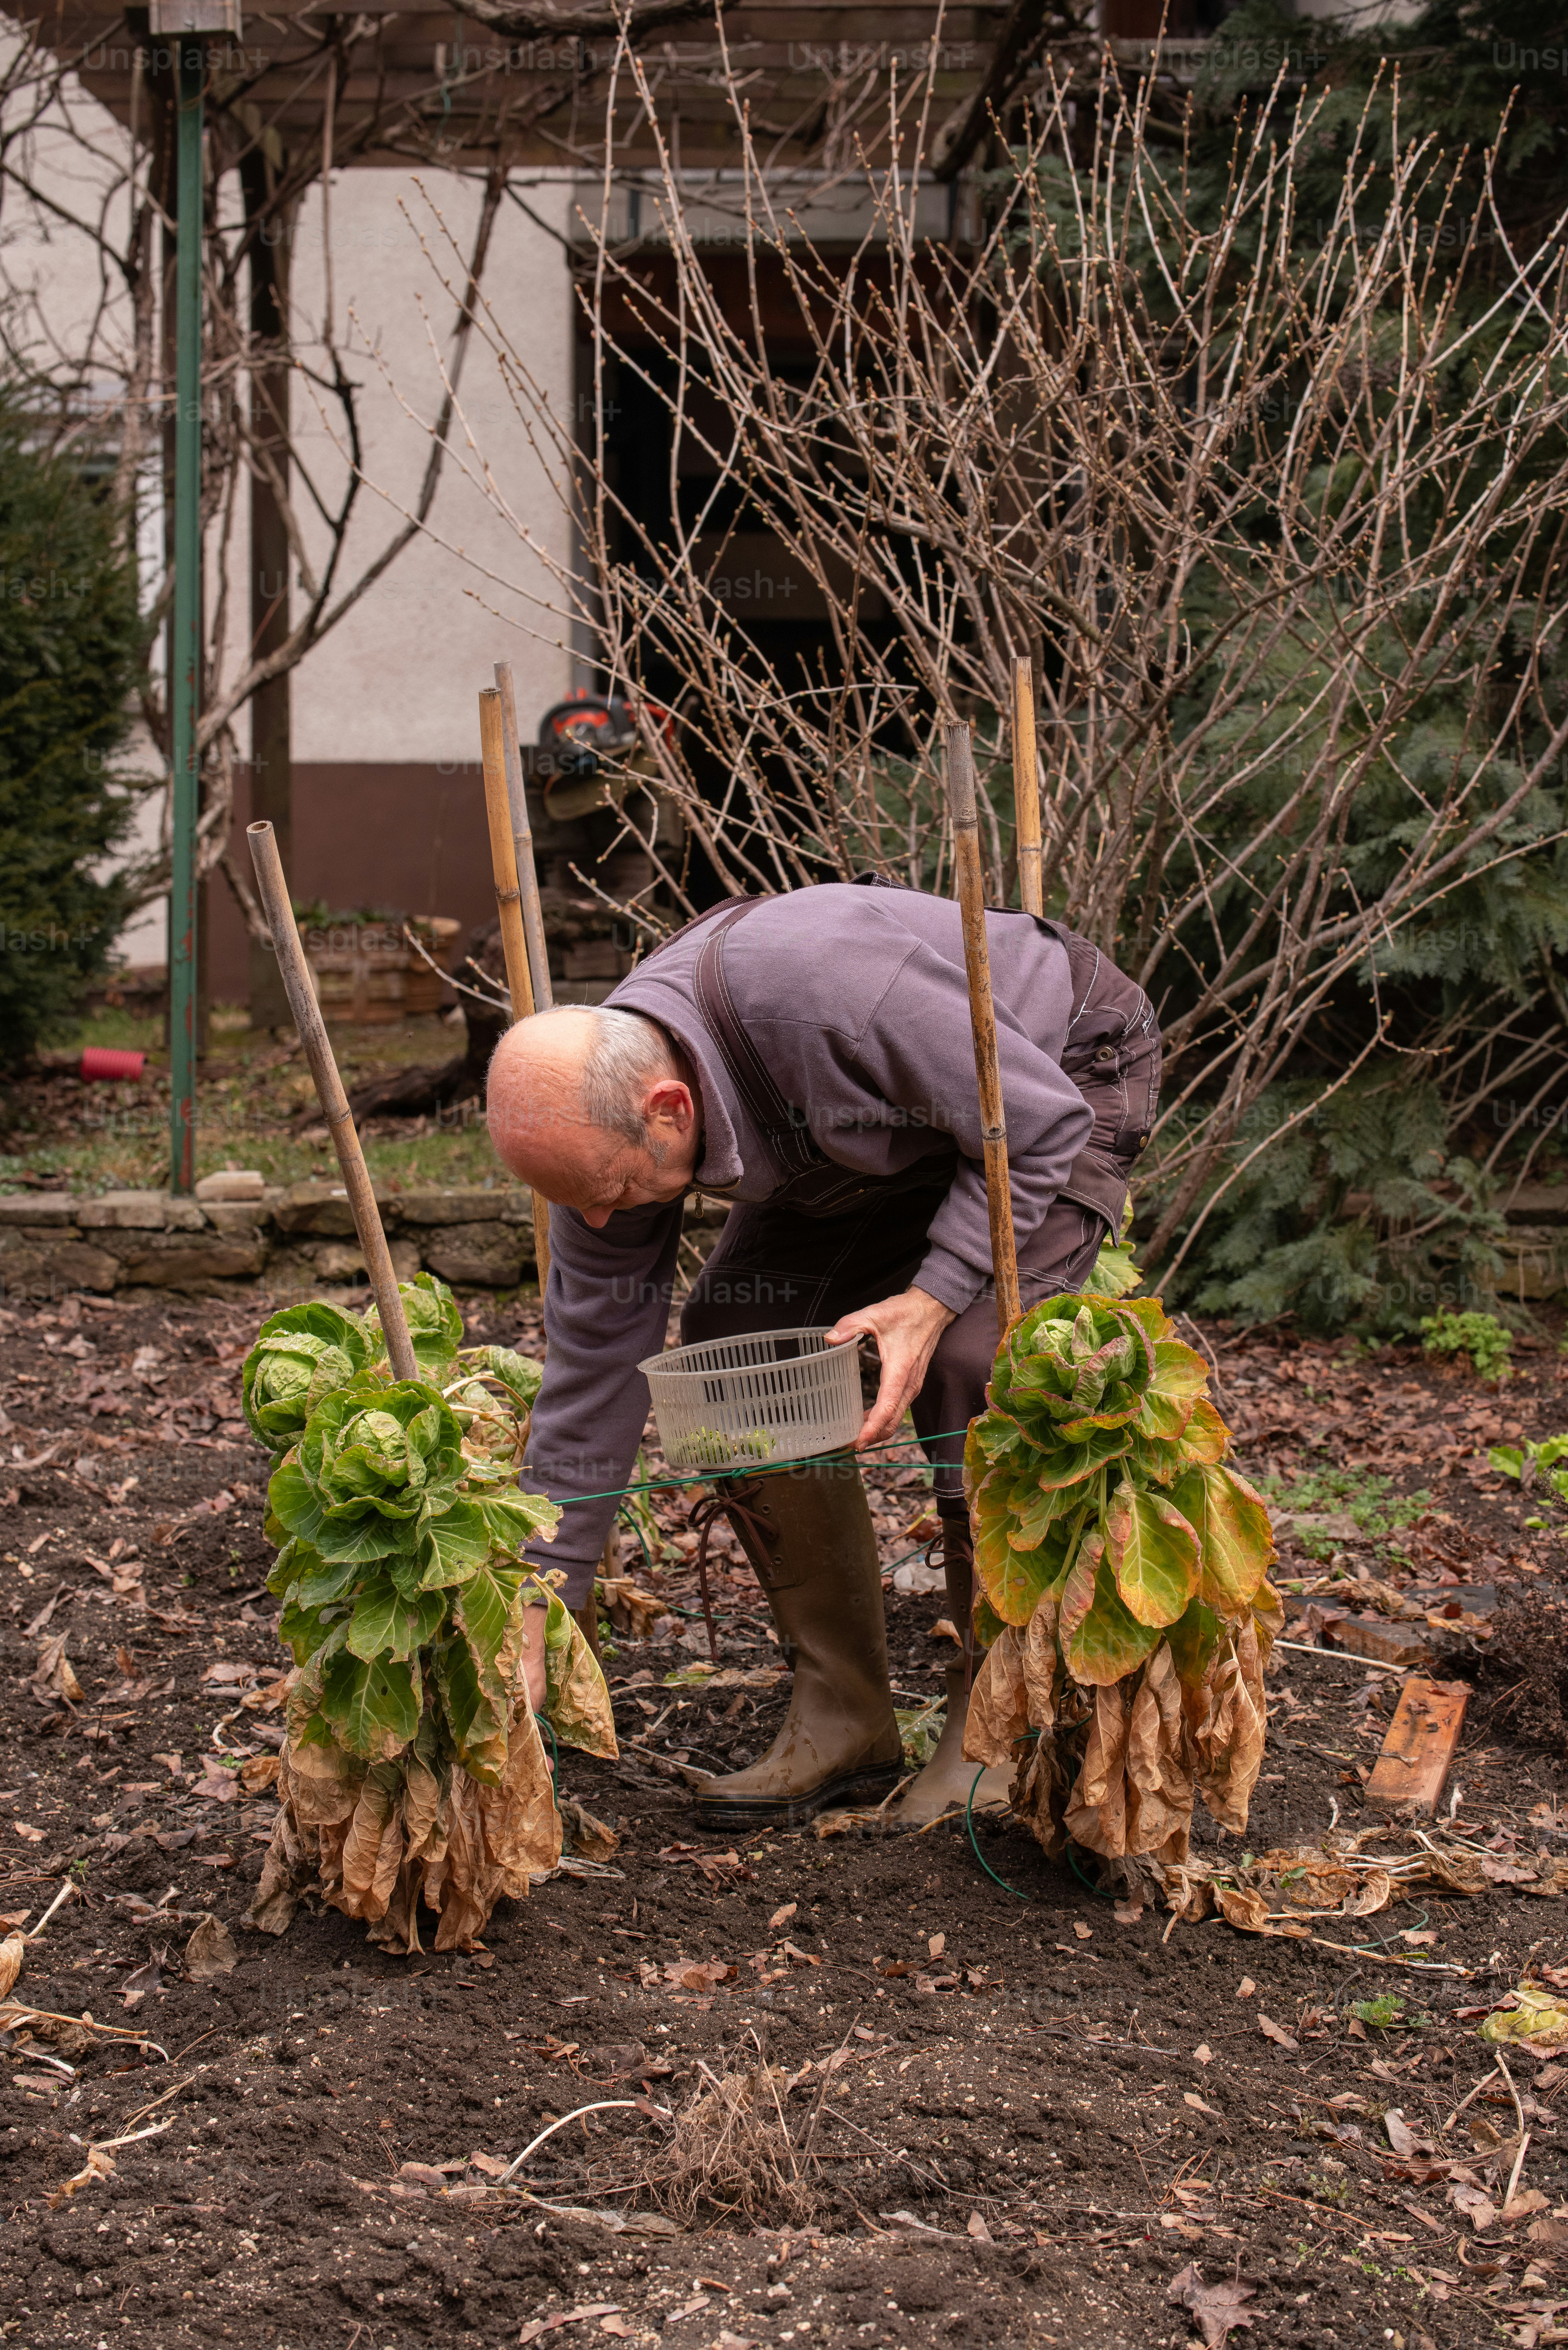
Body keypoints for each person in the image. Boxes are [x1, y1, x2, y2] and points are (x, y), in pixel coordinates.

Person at [486, 879, 1160, 1829]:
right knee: (735, 1349)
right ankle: (844, 1713)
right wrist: (541, 1594)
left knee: (976, 1356)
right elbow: (594, 1358)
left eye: (608, 1190)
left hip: (1053, 1072)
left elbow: (1036, 1118)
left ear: (670, 1108)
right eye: (576, 1203)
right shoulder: (594, 1134)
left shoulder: (827, 996)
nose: (598, 1220)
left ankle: (991, 1731)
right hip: (896, 1125)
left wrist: (931, 1299)